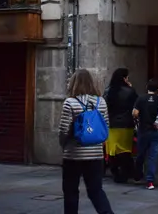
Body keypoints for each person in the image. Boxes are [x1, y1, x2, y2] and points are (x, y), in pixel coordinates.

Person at [59, 69, 114, 214]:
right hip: (95, 155)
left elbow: (64, 130)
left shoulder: (70, 103)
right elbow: (105, 127)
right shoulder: (101, 102)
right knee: (96, 191)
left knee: (71, 191)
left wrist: (64, 145)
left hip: (73, 155)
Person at [104, 68, 138, 183]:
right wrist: (130, 87)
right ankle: (126, 172)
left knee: (113, 150)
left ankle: (115, 171)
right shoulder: (130, 91)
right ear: (124, 78)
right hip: (126, 124)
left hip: (112, 124)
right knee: (125, 150)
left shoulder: (109, 90)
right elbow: (136, 106)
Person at [132, 78, 158, 190]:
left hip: (143, 129)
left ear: (146, 87)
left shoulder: (141, 98)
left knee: (140, 154)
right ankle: (150, 181)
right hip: (155, 129)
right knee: (153, 156)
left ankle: (138, 175)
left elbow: (135, 113)